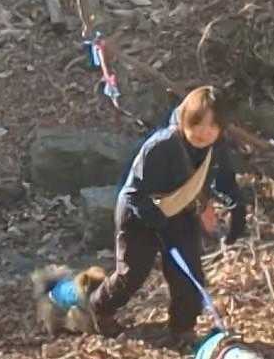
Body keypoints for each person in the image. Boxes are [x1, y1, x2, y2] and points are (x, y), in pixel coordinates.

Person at [88, 85, 247, 338]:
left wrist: (237, 210)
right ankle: (100, 306)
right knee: (132, 274)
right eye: (197, 123)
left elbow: (225, 181)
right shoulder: (161, 145)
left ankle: (182, 328)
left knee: (189, 274)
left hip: (181, 212)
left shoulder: (216, 147)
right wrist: (157, 221)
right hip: (139, 215)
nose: (204, 132)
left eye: (212, 126)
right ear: (185, 118)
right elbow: (134, 194)